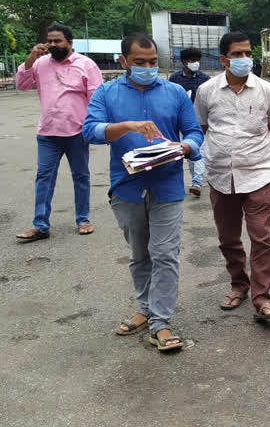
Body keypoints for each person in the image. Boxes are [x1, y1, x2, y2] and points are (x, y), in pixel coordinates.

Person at [82, 34, 204, 351]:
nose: (148, 68)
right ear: (124, 62)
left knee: (164, 254)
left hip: (167, 185)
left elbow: (194, 131)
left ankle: (160, 323)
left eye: (152, 62)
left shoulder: (175, 92)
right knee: (139, 255)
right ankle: (145, 309)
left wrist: (186, 146)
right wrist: (127, 126)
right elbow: (89, 130)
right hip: (127, 187)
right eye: (140, 63)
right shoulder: (106, 93)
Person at [194, 32, 270, 320]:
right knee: (228, 238)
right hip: (221, 176)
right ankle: (239, 285)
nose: (245, 59)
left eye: (248, 53)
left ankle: (262, 297)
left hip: (258, 173)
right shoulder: (207, 91)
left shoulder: (266, 90)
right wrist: (227, 151)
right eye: (237, 54)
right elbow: (203, 126)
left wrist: (250, 152)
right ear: (223, 59)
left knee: (261, 238)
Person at [15, 23, 102, 242]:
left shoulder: (86, 65)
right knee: (44, 178)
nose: (52, 45)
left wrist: (92, 128)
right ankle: (40, 225)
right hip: (48, 133)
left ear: (70, 43)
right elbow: (22, 85)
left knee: (81, 177)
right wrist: (30, 58)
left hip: (77, 133)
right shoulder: (41, 63)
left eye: (58, 41)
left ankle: (83, 219)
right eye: (50, 41)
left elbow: (96, 100)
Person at [168, 47, 211, 197]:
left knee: (199, 149)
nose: (196, 63)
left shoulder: (205, 79)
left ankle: (197, 182)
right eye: (193, 60)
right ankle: (195, 178)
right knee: (187, 151)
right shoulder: (174, 79)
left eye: (197, 60)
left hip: (199, 121)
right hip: (180, 121)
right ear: (185, 62)